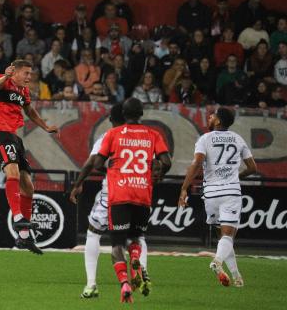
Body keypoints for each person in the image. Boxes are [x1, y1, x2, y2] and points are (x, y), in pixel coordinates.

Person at [69, 103, 152, 299]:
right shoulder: (146, 136)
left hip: (113, 192)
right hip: (139, 191)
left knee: (93, 233)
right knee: (137, 236)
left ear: (113, 119)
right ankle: (143, 271)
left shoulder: (110, 135)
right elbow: (158, 164)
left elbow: (93, 163)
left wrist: (78, 184)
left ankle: (91, 285)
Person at [93, 98, 171, 303]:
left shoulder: (112, 134)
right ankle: (135, 256)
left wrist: (112, 171)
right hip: (142, 194)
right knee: (135, 239)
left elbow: (97, 163)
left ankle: (125, 283)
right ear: (141, 113)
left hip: (119, 194)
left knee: (117, 245)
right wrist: (157, 175)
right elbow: (166, 161)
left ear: (123, 114)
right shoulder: (154, 134)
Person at [178, 107, 257, 288]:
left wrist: (184, 188)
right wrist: (237, 177)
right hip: (230, 192)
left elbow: (197, 162)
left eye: (212, 116)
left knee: (224, 237)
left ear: (219, 121)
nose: (210, 117)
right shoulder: (238, 139)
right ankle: (217, 261)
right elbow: (253, 168)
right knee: (228, 236)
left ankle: (237, 278)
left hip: (211, 194)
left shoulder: (204, 139)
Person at [0, 60, 58, 254]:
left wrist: (45, 126)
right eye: (26, 73)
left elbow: (29, 110)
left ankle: (24, 237)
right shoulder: (2, 81)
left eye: (30, 73)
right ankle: (18, 217)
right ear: (15, 72)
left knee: (28, 186)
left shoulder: (24, 91)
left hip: (15, 138)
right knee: (13, 172)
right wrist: (6, 75)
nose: (29, 77)